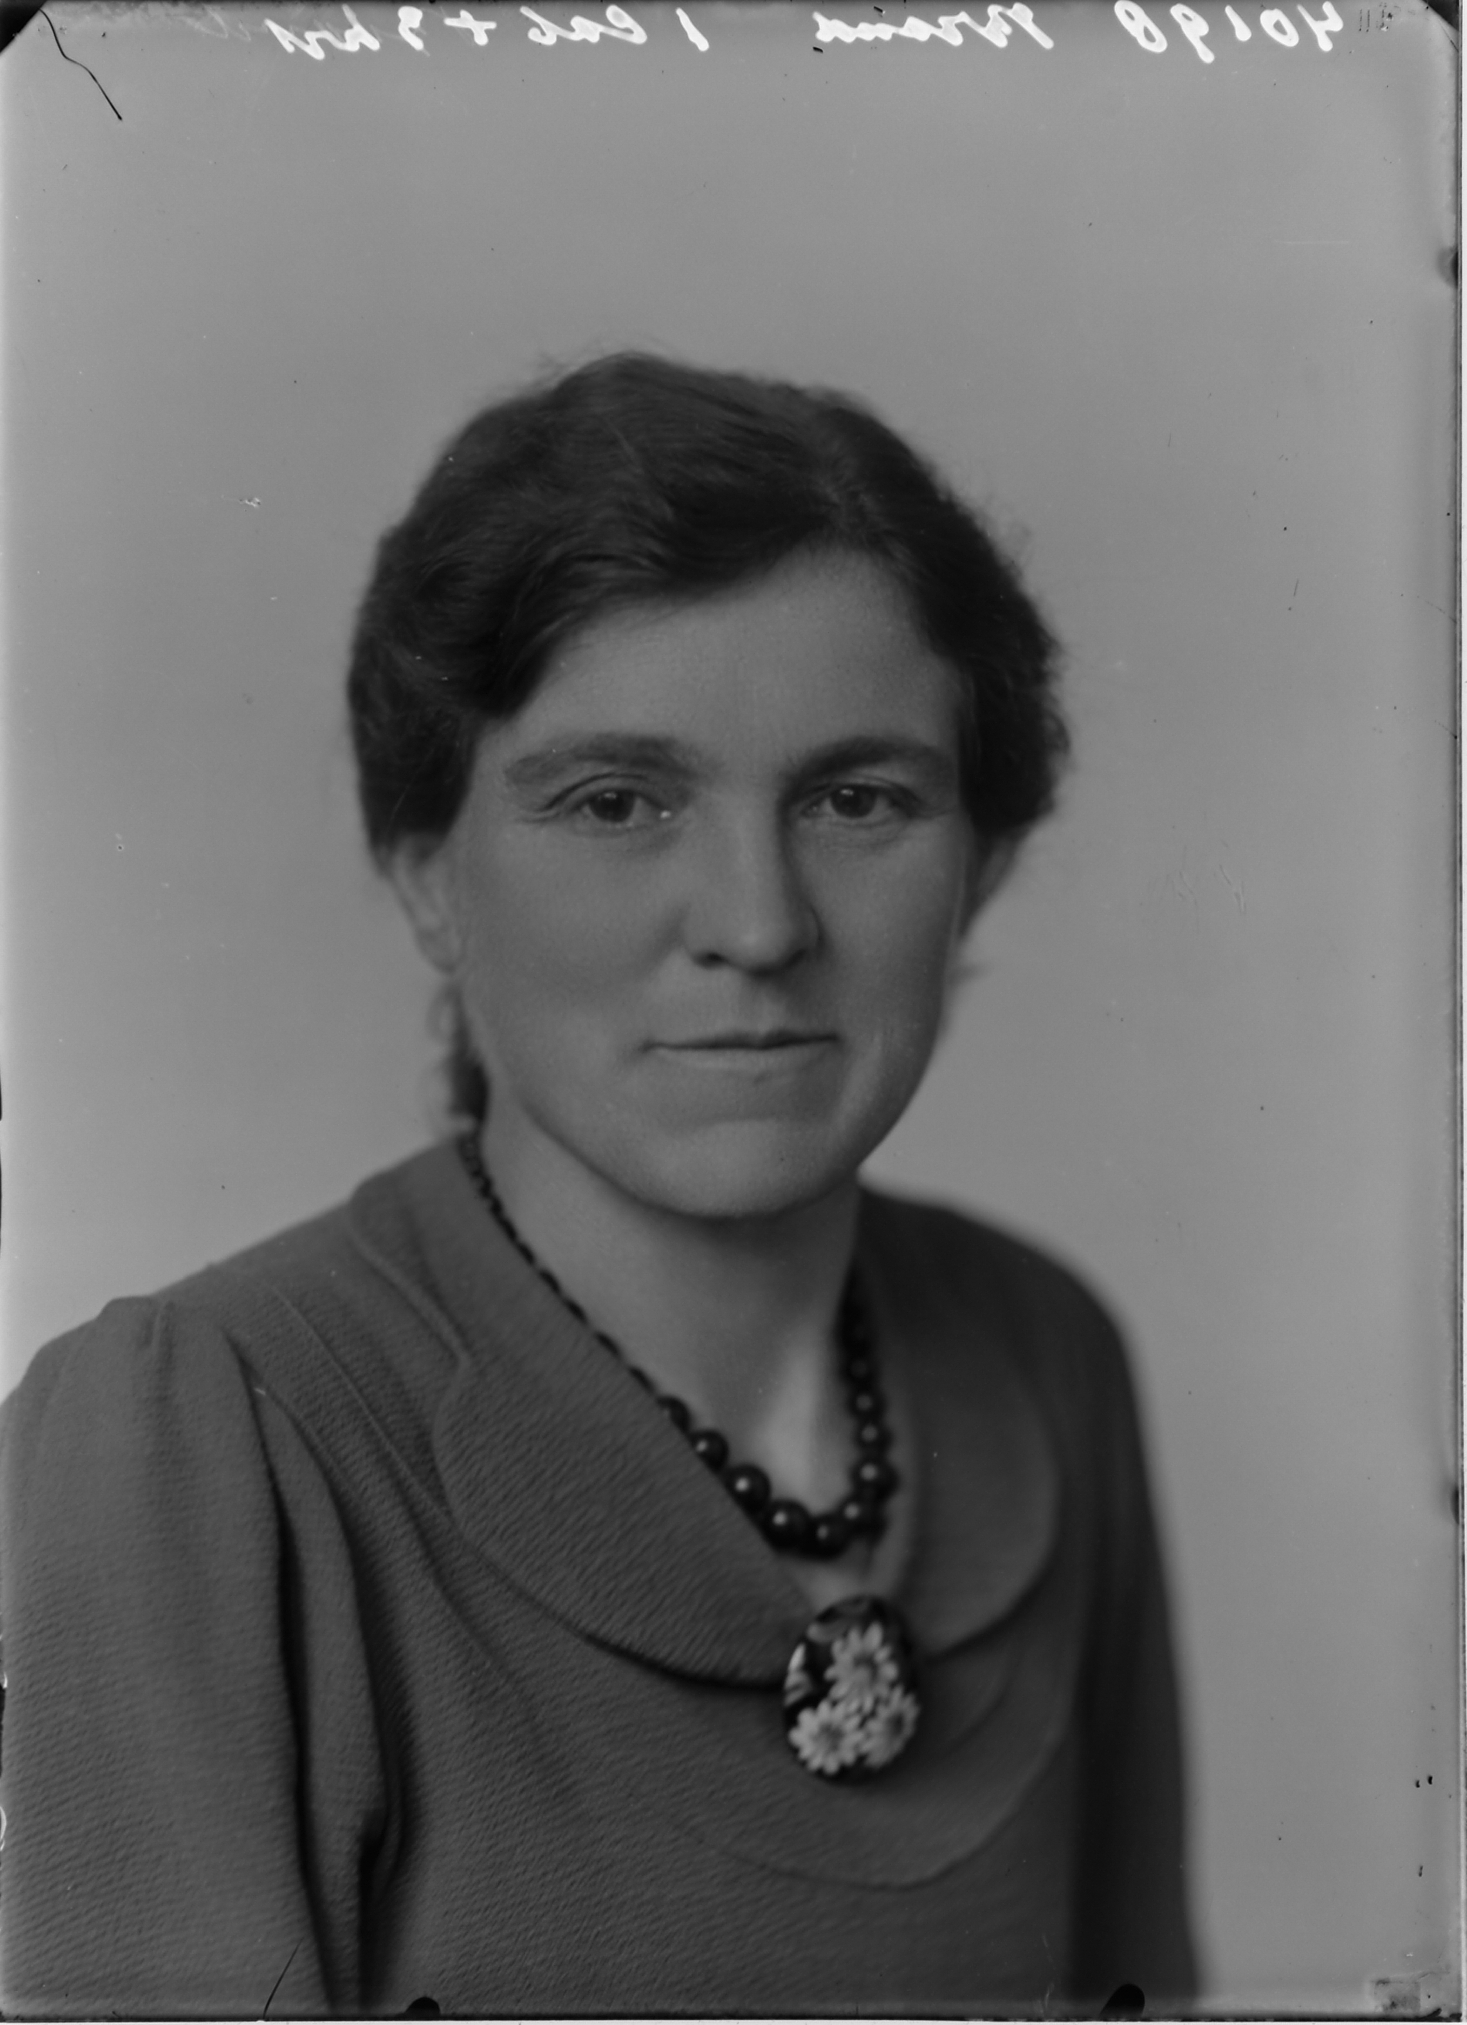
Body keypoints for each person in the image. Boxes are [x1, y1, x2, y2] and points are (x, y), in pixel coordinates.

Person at [0, 353, 1197, 2017]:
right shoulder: (210, 1437)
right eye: (619, 800)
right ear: (428, 872)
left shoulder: (1043, 1354)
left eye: (858, 798)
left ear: (981, 864)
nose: (758, 923)